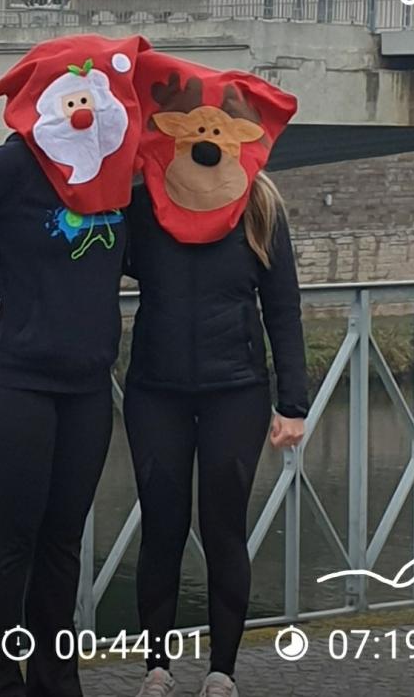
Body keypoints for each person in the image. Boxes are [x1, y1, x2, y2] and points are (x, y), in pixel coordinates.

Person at [0, 34, 150, 697]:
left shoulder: (116, 170)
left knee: (64, 541)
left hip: (89, 383)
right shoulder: (12, 164)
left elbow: (139, 248)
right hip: (18, 379)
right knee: (15, 536)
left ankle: (54, 680)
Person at [125, 53, 308, 697]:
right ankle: (156, 667)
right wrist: (11, 272)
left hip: (237, 390)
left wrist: (294, 403)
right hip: (155, 389)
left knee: (223, 527)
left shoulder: (260, 207)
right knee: (162, 525)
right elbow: (86, 257)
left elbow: (283, 308)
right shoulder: (144, 204)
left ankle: (222, 671)